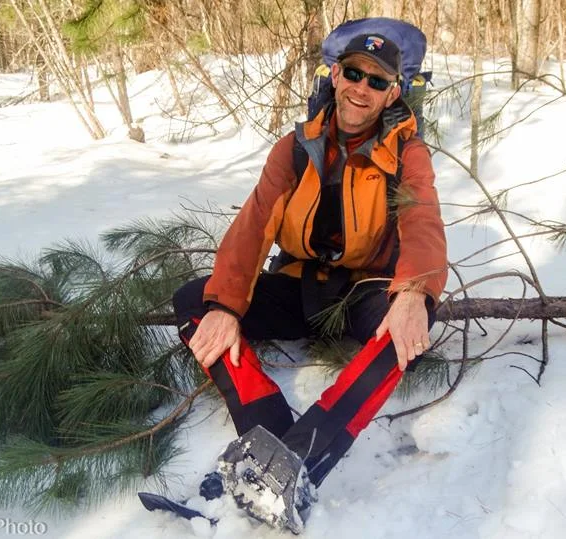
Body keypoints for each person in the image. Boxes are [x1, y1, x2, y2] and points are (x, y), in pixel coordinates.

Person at [172, 32, 447, 502]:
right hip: (299, 286)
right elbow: (254, 225)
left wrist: (414, 293)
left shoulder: (407, 154)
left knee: (406, 326)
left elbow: (422, 220)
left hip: (364, 293)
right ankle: (270, 438)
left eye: (376, 81)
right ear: (335, 75)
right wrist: (225, 305)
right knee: (195, 301)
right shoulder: (296, 148)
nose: (361, 89)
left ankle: (303, 455)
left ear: (394, 92)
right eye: (354, 73)